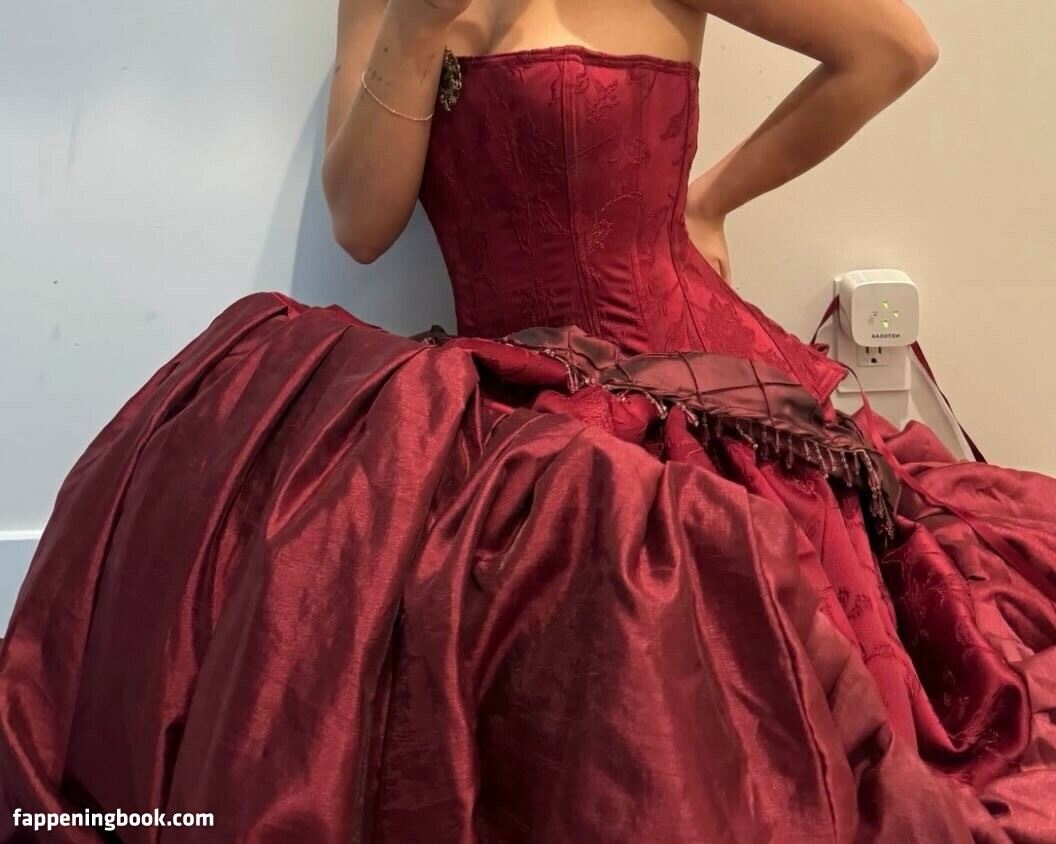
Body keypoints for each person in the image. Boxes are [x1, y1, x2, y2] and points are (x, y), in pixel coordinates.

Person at [2, 0, 1055, 840]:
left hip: (684, 405)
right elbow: (362, 224)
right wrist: (418, 25)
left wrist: (713, 200)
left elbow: (891, 49)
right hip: (499, 402)